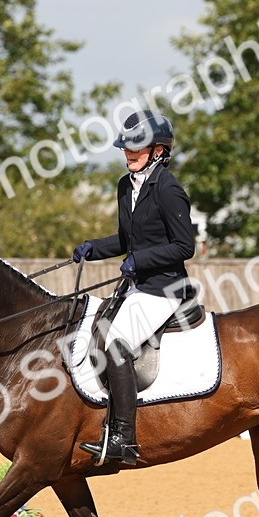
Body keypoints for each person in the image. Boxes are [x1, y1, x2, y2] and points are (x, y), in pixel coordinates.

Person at [72, 110, 197, 465]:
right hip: (138, 286)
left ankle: (124, 438)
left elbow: (183, 246)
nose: (128, 153)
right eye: (125, 148)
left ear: (159, 150)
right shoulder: (126, 186)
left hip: (164, 288)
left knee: (115, 343)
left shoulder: (169, 189)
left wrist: (140, 261)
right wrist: (93, 248)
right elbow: (128, 240)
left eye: (136, 147)